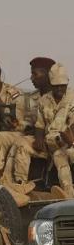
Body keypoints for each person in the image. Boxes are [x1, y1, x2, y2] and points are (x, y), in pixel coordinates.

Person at [10, 64, 74, 198]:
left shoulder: (72, 98)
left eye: (62, 85)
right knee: (21, 144)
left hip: (65, 143)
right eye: (56, 85)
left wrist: (68, 141)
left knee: (59, 156)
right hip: (47, 142)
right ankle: (20, 186)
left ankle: (68, 194)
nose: (59, 88)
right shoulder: (44, 100)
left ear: (67, 83)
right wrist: (38, 139)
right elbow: (39, 124)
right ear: (51, 84)